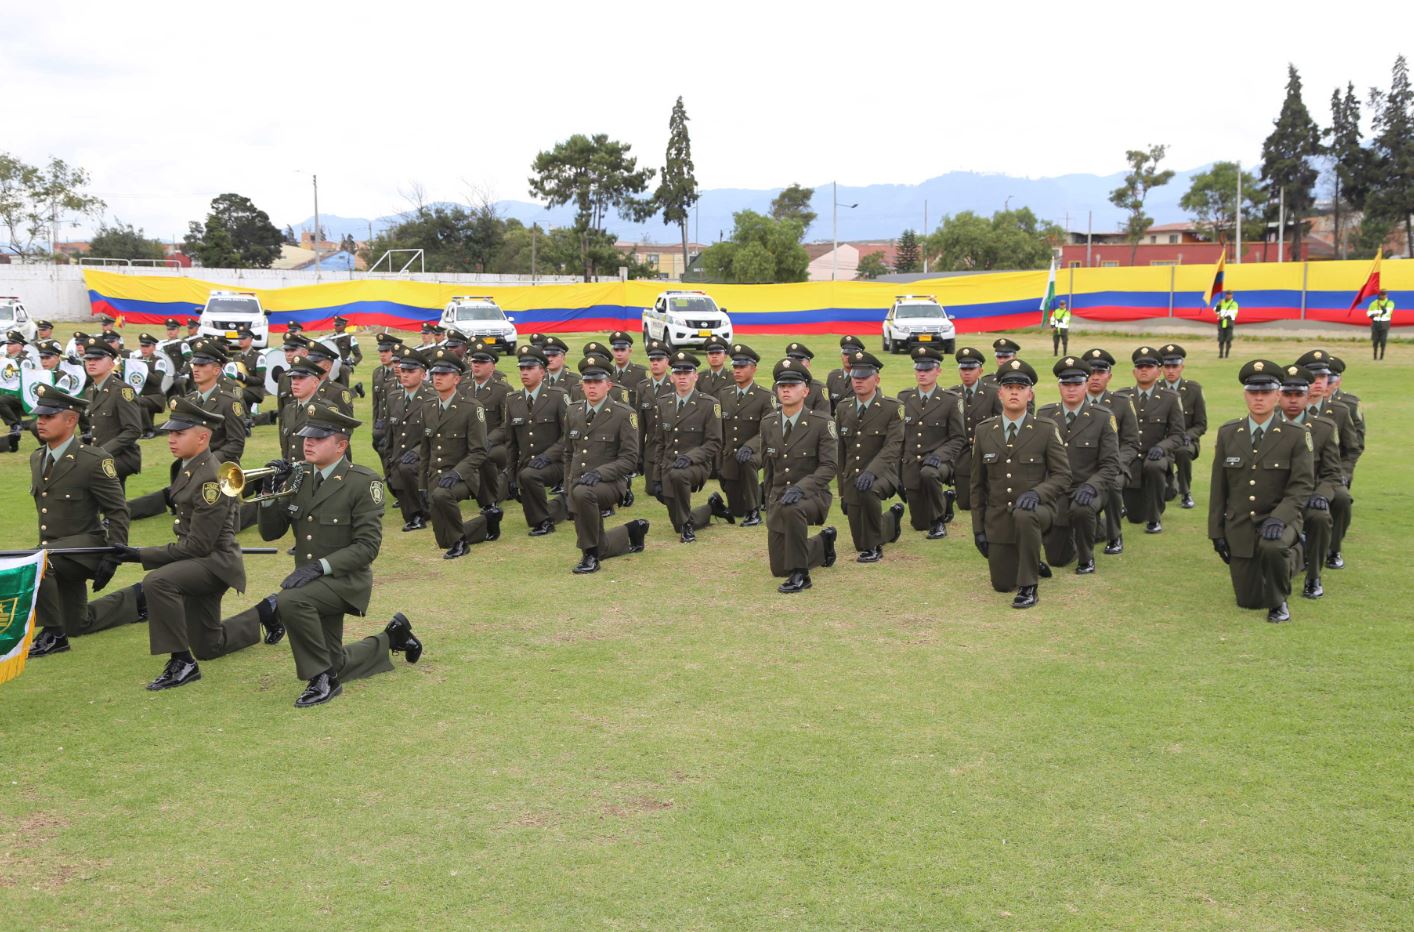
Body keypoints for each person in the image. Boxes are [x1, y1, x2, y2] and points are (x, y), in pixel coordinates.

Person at [226, 402, 423, 706]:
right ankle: (392, 638)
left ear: (341, 445)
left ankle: (322, 680)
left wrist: (319, 567)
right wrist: (268, 492)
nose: (308, 442)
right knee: (336, 660)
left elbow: (367, 547)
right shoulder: (301, 475)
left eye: (318, 438)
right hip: (311, 581)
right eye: (307, 437)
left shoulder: (363, 482)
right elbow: (271, 533)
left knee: (290, 600)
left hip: (345, 581)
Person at [84, 399, 265, 689]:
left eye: (179, 433)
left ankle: (182, 662)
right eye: (170, 432)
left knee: (158, 582)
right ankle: (266, 612)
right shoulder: (189, 466)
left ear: (203, 437)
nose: (171, 438)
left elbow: (198, 546)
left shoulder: (209, 479)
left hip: (214, 563)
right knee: (209, 645)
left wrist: (139, 555)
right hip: (198, 561)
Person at [25, 385, 133, 658]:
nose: (40, 421)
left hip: (87, 549)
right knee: (77, 623)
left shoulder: (94, 460)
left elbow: (117, 511)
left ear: (71, 420)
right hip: (55, 553)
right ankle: (140, 599)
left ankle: (54, 635)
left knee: (39, 563)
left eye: (49, 416)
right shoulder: (37, 457)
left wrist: (114, 553)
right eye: (40, 415)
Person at [1208, 360, 1313, 623]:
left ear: (1277, 395)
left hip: (1280, 519)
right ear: (1245, 395)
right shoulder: (1229, 433)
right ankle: (1278, 567)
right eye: (1253, 392)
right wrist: (1216, 532)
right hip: (1241, 523)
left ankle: (1281, 600)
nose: (1259, 398)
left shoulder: (1296, 434)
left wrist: (1279, 518)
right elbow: (1219, 487)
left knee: (1273, 547)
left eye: (1265, 392)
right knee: (1249, 601)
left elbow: (1301, 485)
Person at [970, 359, 1071, 608]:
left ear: (1030, 394)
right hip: (999, 518)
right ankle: (1030, 558)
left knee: (1026, 515)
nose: (1014, 391)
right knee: (1002, 584)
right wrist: (978, 530)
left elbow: (1063, 475)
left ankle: (1029, 587)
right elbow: (977, 485)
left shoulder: (1045, 429)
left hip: (1038, 510)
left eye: (1020, 387)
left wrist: (1038, 494)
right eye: (1009, 386)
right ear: (1000, 393)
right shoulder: (984, 431)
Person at [563, 353, 648, 573]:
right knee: (579, 493)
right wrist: (567, 484)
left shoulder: (623, 414)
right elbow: (568, 453)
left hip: (611, 483)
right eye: (587, 382)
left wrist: (600, 473)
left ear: (608, 385)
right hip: (579, 481)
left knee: (583, 493)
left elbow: (630, 459)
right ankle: (632, 531)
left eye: (597, 381)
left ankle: (589, 556)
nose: (592, 387)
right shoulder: (573, 411)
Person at [761, 358, 838, 593]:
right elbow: (769, 468)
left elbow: (829, 467)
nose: (786, 390)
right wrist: (769, 501)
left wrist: (800, 489)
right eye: (782, 386)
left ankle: (801, 575)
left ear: (805, 390)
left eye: (792, 385)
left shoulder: (821, 423)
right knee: (778, 568)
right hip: (780, 497)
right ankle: (822, 544)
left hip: (812, 496)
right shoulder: (769, 423)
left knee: (793, 510)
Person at [1038, 357, 1120, 574]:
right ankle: (1087, 530)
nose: (1071, 389)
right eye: (1066, 384)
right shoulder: (1045, 415)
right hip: (1057, 491)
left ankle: (1086, 558)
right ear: (1059, 386)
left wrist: (1092, 486)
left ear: (1085, 385)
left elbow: (1111, 464)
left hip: (1088, 488)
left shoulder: (1103, 417)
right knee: (1056, 559)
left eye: (1077, 384)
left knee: (1082, 509)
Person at [1275, 364, 1345, 601]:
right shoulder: (1263, 425)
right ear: (1278, 395)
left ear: (1307, 396)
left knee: (1320, 517)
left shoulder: (1324, 428)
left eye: (1299, 395)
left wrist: (1322, 494)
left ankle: (1314, 575)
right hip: (1273, 498)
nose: (1293, 400)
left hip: (1307, 497)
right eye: (1287, 394)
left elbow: (1333, 472)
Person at [834, 349, 905, 563]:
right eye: (855, 377)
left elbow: (893, 446)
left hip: (883, 473)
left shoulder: (892, 408)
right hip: (853, 477)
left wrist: (872, 472)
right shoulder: (843, 408)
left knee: (869, 492)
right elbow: (841, 452)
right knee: (859, 542)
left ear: (876, 379)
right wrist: (843, 492)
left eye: (864, 377)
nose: (858, 381)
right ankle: (891, 520)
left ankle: (875, 547)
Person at [418, 349, 490, 560]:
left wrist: (457, 473)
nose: (437, 378)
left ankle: (461, 543)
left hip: (463, 476)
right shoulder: (428, 407)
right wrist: (422, 484)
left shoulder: (471, 408)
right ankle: (485, 523)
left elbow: (479, 451)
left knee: (442, 495)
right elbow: (425, 450)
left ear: (457, 378)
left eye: (444, 374)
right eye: (435, 374)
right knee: (443, 541)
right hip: (435, 476)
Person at [649, 351, 726, 542]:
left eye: (687, 373)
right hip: (669, 464)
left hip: (696, 465)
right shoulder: (663, 403)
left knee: (678, 476)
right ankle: (709, 509)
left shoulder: (709, 404)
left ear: (695, 376)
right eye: (678, 373)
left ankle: (686, 526)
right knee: (675, 521)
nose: (682, 377)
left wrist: (690, 457)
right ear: (672, 377)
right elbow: (659, 442)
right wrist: (656, 477)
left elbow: (714, 442)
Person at [1295, 350, 1360, 569]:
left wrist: (1342, 474)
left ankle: (1333, 548)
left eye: (1323, 378)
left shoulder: (1339, 411)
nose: (1319, 383)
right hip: (1293, 476)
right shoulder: (1288, 408)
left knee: (1341, 499)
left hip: (1329, 476)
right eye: (1314, 378)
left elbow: (1351, 449)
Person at [1116, 346, 1186, 534]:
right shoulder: (1122, 397)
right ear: (1134, 371)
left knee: (1154, 466)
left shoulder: (1170, 398)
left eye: (1149, 366)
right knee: (1135, 517)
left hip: (1155, 455)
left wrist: (1162, 448)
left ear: (1158, 371)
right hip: (1131, 457)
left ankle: (1155, 518)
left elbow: (1178, 435)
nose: (1144, 370)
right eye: (1140, 367)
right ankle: (1120, 506)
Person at [897, 345, 965, 539]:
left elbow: (958, 437)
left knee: (929, 473)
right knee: (919, 524)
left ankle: (939, 522)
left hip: (938, 463)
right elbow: (899, 438)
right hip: (911, 464)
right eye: (919, 369)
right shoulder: (904, 398)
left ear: (938, 371)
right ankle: (945, 501)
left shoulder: (950, 400)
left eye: (927, 369)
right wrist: (897, 472)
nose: (922, 374)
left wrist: (939, 456)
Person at [505, 345, 570, 535]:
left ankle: (545, 523)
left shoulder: (557, 397)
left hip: (557, 463)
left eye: (530, 368)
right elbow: (511, 443)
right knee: (529, 512)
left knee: (529, 478)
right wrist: (511, 476)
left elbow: (569, 435)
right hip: (527, 465)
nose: (524, 373)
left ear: (542, 371)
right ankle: (563, 504)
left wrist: (548, 456)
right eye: (522, 369)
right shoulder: (512, 400)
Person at [1082, 347, 1141, 553]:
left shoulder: (1122, 403)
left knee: (1113, 483)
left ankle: (1115, 536)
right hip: (1082, 466)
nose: (1095, 377)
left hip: (1114, 467)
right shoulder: (1073, 403)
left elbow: (1132, 443)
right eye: (1090, 373)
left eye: (1100, 372)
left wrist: (1115, 463)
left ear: (1109, 376)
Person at [716, 343, 774, 525]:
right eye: (735, 366)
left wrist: (749, 446)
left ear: (753, 368)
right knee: (736, 510)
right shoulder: (725, 394)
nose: (737, 370)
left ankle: (754, 512)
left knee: (747, 461)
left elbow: (768, 430)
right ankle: (760, 495)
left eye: (742, 366)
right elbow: (721, 429)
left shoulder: (765, 396)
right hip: (731, 455)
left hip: (758, 451)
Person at [79, 335, 144, 486]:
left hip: (123, 456)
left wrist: (102, 452)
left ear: (111, 364)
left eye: (97, 359)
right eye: (88, 360)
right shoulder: (90, 391)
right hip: (101, 455)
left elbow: (133, 430)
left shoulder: (122, 391)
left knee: (86, 476)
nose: (91, 363)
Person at [949, 346, 1001, 514]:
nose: (967, 372)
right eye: (963, 368)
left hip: (987, 453)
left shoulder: (993, 393)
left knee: (988, 500)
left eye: (971, 368)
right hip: (962, 456)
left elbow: (1001, 424)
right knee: (965, 504)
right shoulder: (952, 394)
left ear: (980, 370)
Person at [384, 347, 431, 531]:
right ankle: (417, 513)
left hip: (425, 457)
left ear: (422, 374)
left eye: (411, 371)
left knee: (407, 470)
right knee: (398, 478)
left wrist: (416, 452)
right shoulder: (394, 397)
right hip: (399, 458)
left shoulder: (431, 397)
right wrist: (388, 462)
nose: (405, 375)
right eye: (403, 371)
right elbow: (390, 435)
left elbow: (435, 434)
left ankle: (421, 514)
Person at [1159, 343, 1207, 509]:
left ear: (1182, 367)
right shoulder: (1156, 389)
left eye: (1175, 366)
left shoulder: (1193, 389)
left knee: (1183, 451)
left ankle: (1186, 492)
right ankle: (1169, 481)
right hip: (1163, 442)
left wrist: (1188, 435)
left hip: (1187, 441)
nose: (1171, 370)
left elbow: (1201, 424)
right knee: (1166, 494)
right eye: (1167, 366)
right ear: (1161, 368)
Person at [466, 342, 512, 508]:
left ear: (492, 366)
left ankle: (490, 500)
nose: (476, 365)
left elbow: (507, 423)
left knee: (484, 458)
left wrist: (488, 440)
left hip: (495, 444)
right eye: (474, 361)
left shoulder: (503, 390)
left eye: (482, 362)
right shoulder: (463, 388)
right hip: (468, 443)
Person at [369, 332, 403, 463]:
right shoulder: (377, 373)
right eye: (381, 351)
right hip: (381, 424)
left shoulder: (401, 375)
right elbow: (376, 404)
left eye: (386, 351)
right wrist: (374, 426)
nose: (382, 354)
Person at [782, 342, 832, 415]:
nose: (795, 364)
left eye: (799, 361)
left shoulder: (818, 389)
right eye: (792, 361)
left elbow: (823, 419)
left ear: (808, 363)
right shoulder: (778, 385)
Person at [825, 336, 865, 412]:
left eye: (851, 354)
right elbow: (829, 408)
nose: (847, 357)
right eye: (845, 354)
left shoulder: (866, 378)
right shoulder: (833, 377)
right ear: (841, 356)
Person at [327, 315, 363, 387]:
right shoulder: (331, 338)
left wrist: (352, 361)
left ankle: (344, 391)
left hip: (344, 364)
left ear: (344, 326)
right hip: (332, 363)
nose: (336, 327)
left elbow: (359, 356)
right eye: (335, 325)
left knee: (342, 369)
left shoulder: (349, 338)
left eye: (338, 325)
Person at [1366, 289, 1393, 360]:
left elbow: (1386, 312)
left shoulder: (1390, 303)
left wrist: (1378, 311)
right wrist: (1373, 315)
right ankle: (1375, 356)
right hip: (1375, 323)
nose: (1384, 296)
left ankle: (1381, 356)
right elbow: (1368, 313)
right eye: (1382, 294)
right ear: (1379, 295)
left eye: (1385, 294)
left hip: (1385, 323)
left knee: (1383, 341)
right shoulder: (1373, 303)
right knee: (1375, 341)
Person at [1215, 290, 1239, 358]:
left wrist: (1225, 316)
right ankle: (1220, 354)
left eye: (1229, 294)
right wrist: (1219, 305)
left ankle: (1227, 355)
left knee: (1228, 339)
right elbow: (1216, 311)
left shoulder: (1234, 303)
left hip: (1229, 322)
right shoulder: (1221, 302)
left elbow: (1235, 313)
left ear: (1232, 295)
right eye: (1227, 294)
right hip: (1221, 322)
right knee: (1221, 340)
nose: (1228, 296)